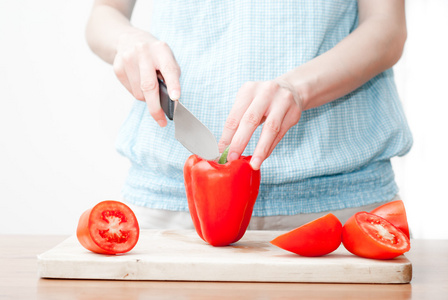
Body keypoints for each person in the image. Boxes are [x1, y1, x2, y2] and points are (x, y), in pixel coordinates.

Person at [85, 0, 412, 230]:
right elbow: (105, 11)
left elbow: (387, 27)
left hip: (340, 203)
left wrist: (298, 89)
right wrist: (127, 40)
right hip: (169, 205)